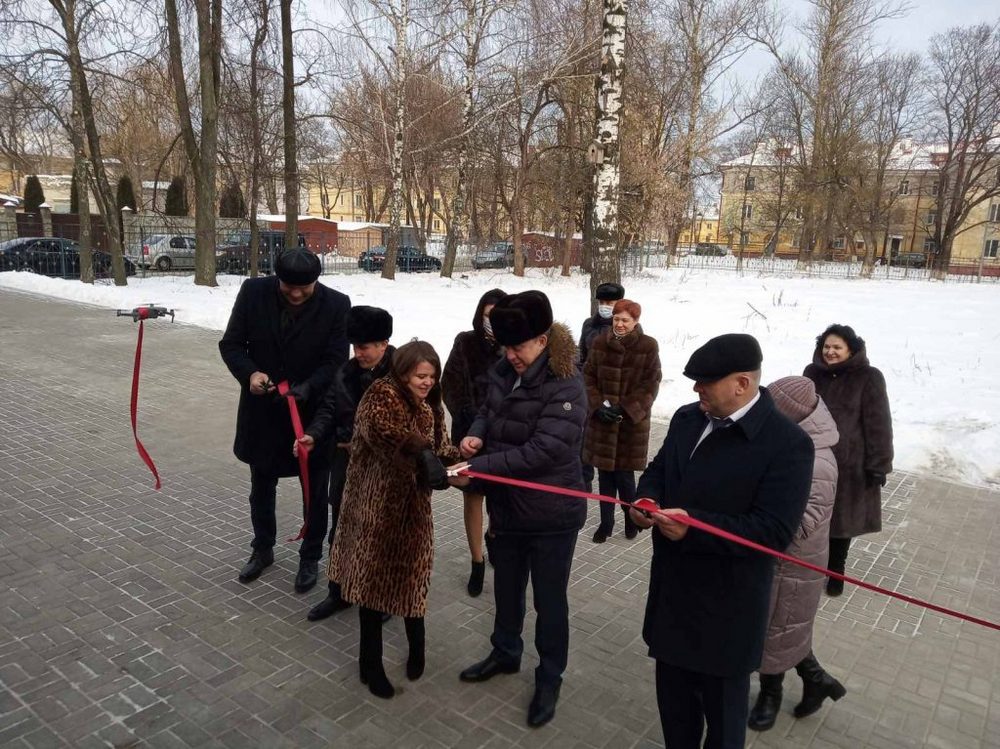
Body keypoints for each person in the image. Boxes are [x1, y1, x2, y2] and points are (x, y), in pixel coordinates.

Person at [629, 333, 813, 749]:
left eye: (705, 382)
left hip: (727, 616)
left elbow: (773, 532)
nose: (696, 390)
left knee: (725, 730)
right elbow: (660, 469)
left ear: (742, 384)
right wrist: (646, 500)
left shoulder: (788, 444)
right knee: (676, 719)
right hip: (673, 600)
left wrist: (695, 525)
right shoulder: (686, 418)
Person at [452, 290, 586, 729]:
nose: (511, 356)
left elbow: (542, 451)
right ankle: (506, 651)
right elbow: (488, 413)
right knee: (507, 588)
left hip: (551, 514)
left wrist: (478, 466)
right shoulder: (502, 370)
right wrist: (475, 434)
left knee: (549, 601)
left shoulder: (566, 384)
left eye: (520, 347)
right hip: (508, 509)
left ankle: (550, 675)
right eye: (507, 347)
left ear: (544, 340)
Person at [327, 340, 459, 699]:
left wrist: (459, 461)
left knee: (413, 578)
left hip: (414, 511)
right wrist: (422, 454)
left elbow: (441, 446)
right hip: (376, 509)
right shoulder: (380, 396)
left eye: (432, 376)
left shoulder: (430, 404)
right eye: (420, 375)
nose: (427, 382)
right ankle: (369, 663)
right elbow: (386, 436)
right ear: (402, 373)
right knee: (372, 588)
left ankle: (417, 649)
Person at [219, 248, 350, 591]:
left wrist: (308, 388)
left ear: (316, 281)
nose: (295, 293)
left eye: (303, 288)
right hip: (261, 413)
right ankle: (262, 548)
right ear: (277, 279)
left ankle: (310, 557)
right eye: (288, 286)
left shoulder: (337, 305)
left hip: (313, 416)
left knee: (315, 491)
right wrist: (250, 374)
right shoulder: (253, 293)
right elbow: (231, 344)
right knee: (261, 488)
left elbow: (337, 360)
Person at [749, 376, 847, 732]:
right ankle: (818, 680)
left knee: (777, 631)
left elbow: (803, 522)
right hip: (776, 561)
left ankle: (769, 697)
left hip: (793, 564)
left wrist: (755, 518)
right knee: (784, 631)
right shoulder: (789, 442)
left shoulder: (818, 462)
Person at [295, 306, 395, 621]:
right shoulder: (346, 372)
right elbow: (328, 407)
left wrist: (369, 443)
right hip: (347, 463)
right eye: (354, 346)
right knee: (341, 528)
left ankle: (384, 599)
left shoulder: (402, 374)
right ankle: (339, 592)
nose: (358, 353)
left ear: (383, 343)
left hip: (385, 468)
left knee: (381, 532)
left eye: (364, 347)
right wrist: (313, 434)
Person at [803, 324, 893, 597]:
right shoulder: (811, 373)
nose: (830, 352)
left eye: (837, 347)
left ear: (851, 350)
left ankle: (835, 573)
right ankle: (808, 569)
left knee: (841, 524)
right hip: (812, 459)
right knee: (811, 518)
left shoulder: (868, 377)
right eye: (826, 347)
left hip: (849, 465)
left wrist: (879, 464)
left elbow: (879, 423)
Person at [441, 288, 506, 597]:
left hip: (504, 437)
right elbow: (448, 383)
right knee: (473, 496)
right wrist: (464, 414)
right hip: (468, 435)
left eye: (497, 316)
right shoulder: (465, 342)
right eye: (487, 315)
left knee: (500, 497)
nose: (491, 321)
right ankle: (477, 560)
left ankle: (494, 538)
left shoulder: (513, 347)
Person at [583, 298, 661, 543]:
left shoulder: (648, 346)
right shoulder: (599, 343)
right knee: (605, 475)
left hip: (630, 425)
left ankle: (630, 517)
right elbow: (587, 378)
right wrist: (597, 406)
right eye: (616, 319)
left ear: (635, 321)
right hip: (603, 422)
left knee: (625, 478)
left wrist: (627, 408)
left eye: (625, 320)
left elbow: (652, 383)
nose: (619, 324)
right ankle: (606, 523)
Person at [578, 282, 625, 493]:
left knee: (614, 466)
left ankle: (625, 521)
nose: (606, 306)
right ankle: (582, 496)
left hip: (615, 399)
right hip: (590, 395)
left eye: (611, 302)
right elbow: (581, 358)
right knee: (583, 452)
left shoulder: (628, 326)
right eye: (603, 302)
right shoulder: (589, 324)